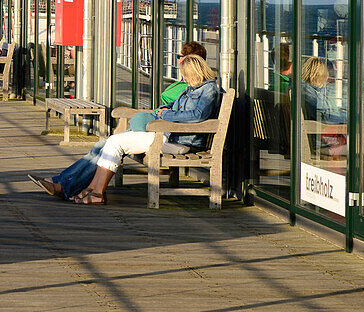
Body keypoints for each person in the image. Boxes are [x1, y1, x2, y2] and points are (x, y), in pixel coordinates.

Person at [29, 54, 221, 203]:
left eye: (186, 76)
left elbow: (198, 116)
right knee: (104, 145)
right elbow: (175, 107)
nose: (184, 80)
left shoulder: (208, 90)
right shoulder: (192, 88)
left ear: (195, 73)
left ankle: (87, 190)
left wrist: (165, 116)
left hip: (178, 141)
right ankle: (75, 186)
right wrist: (164, 110)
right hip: (167, 133)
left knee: (114, 143)